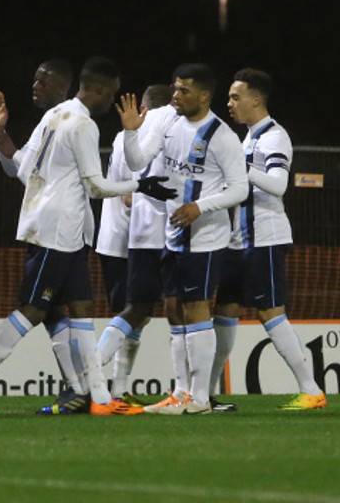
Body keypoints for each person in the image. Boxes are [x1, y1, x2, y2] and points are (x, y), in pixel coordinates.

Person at [0, 57, 176, 417]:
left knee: (83, 310)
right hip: (56, 230)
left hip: (65, 230)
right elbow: (96, 185)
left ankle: (100, 399)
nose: (113, 102)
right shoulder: (83, 125)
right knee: (34, 309)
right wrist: (142, 184)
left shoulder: (54, 116)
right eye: (113, 94)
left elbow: (23, 169)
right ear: (101, 90)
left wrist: (7, 141)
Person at [116, 63, 249, 415]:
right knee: (173, 310)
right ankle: (180, 393)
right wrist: (131, 132)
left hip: (205, 238)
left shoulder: (222, 136)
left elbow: (240, 188)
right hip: (174, 234)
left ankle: (201, 398)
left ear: (204, 96)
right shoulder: (167, 121)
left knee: (195, 309)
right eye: (175, 89)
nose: (175, 96)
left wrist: (199, 207)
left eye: (183, 91)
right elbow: (137, 162)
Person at [0, 58, 106, 414]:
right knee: (45, 309)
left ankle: (88, 393)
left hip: (66, 231)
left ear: (64, 85)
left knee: (67, 309)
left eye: (43, 81)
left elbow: (31, 173)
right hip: (57, 231)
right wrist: (0, 135)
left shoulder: (66, 122)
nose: (35, 86)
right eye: (35, 79)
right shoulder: (53, 120)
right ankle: (83, 391)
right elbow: (22, 169)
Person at [208, 68, 326, 411]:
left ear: (256, 99)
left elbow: (278, 185)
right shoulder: (247, 139)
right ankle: (205, 392)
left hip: (264, 239)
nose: (229, 103)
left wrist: (238, 169)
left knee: (270, 312)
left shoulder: (274, 136)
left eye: (235, 96)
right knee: (223, 312)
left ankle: (311, 390)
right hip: (237, 241)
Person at [93, 84, 173, 407]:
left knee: (140, 314)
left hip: (126, 239)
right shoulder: (138, 135)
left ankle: (118, 390)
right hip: (124, 240)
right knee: (133, 310)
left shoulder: (138, 133)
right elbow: (128, 195)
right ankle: (90, 378)